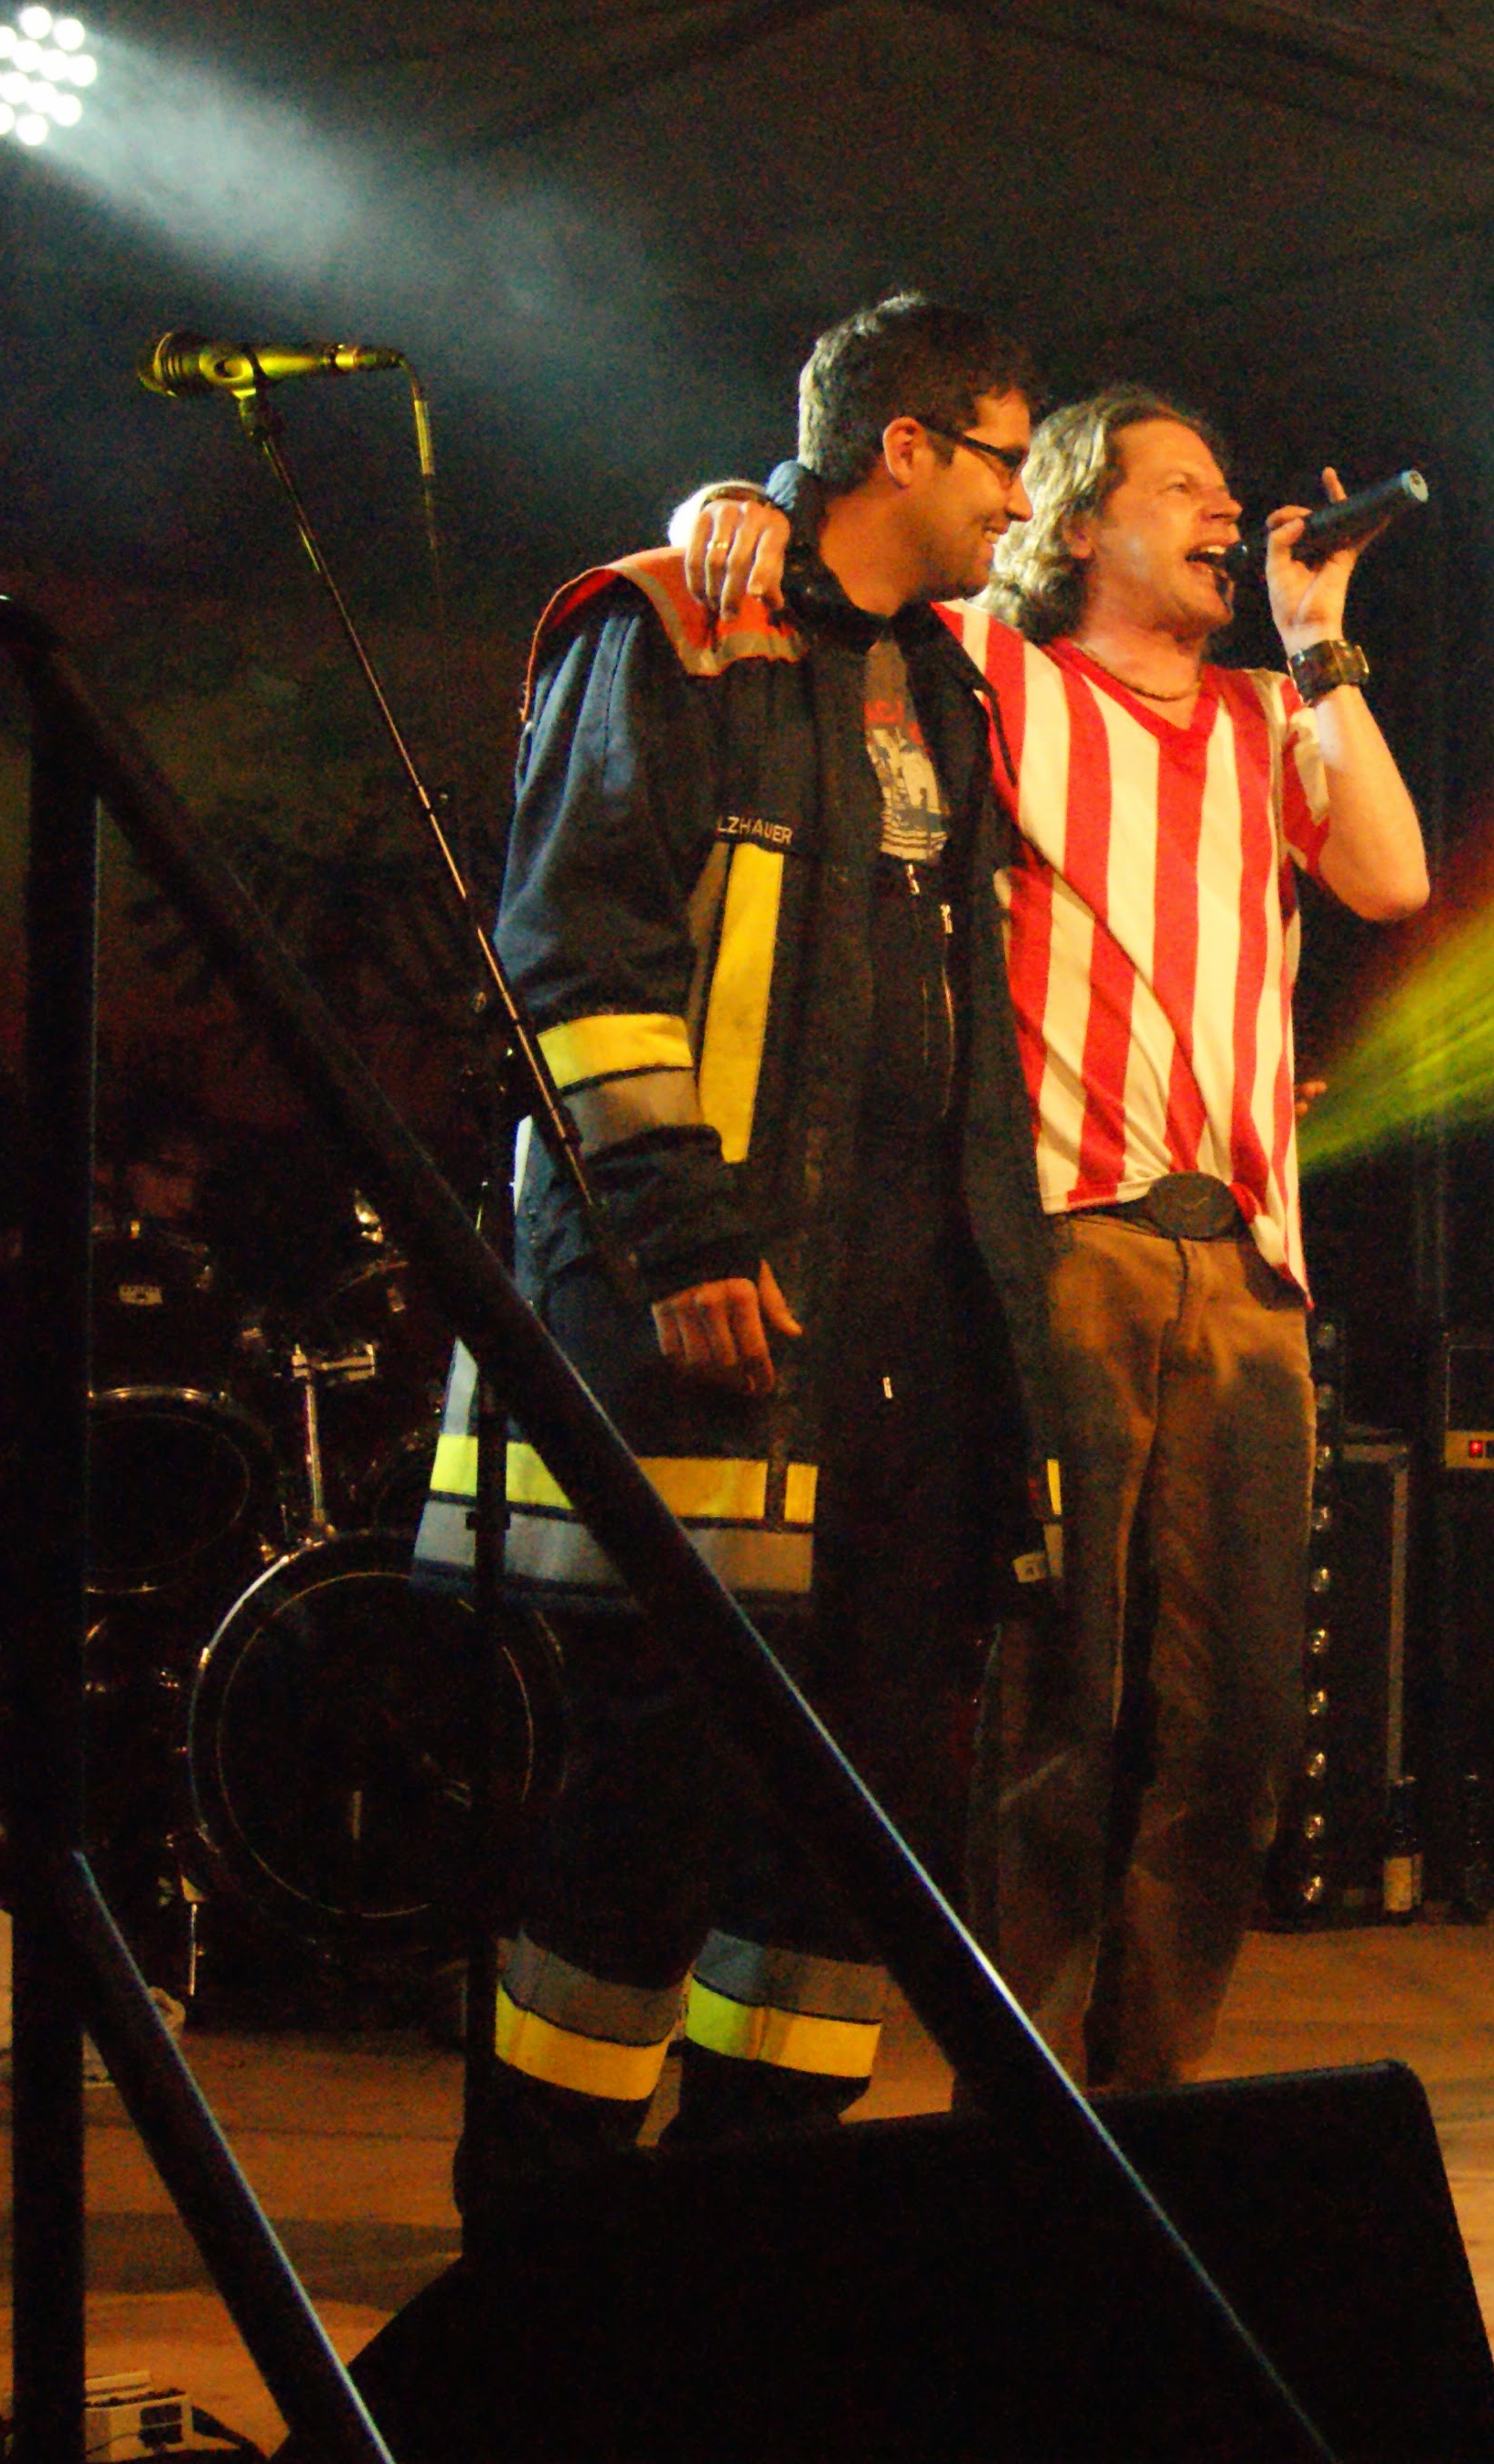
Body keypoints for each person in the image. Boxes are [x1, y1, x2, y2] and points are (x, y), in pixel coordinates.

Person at [671, 386, 1428, 2085]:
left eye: (1230, 489)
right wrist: (738, 494)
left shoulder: (1268, 713)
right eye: (1185, 487)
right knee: (1058, 1707)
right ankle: (1022, 2110)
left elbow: (1392, 880)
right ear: (1077, 520)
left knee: (1239, 1724)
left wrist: (1319, 633)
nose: (1227, 512)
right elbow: (843, 577)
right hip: (1069, 1250)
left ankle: (1146, 2107)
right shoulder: (993, 675)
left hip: (1249, 1267)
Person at [416, 293, 1058, 2218]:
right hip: (718, 1324)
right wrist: (682, 1232)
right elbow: (572, 954)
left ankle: (757, 2229)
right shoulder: (674, 626)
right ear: (905, 446)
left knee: (862, 1823)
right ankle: (544, 2231)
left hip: (909, 1345)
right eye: (1006, 458)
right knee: (657, 1793)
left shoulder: (946, 682)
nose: (1020, 504)